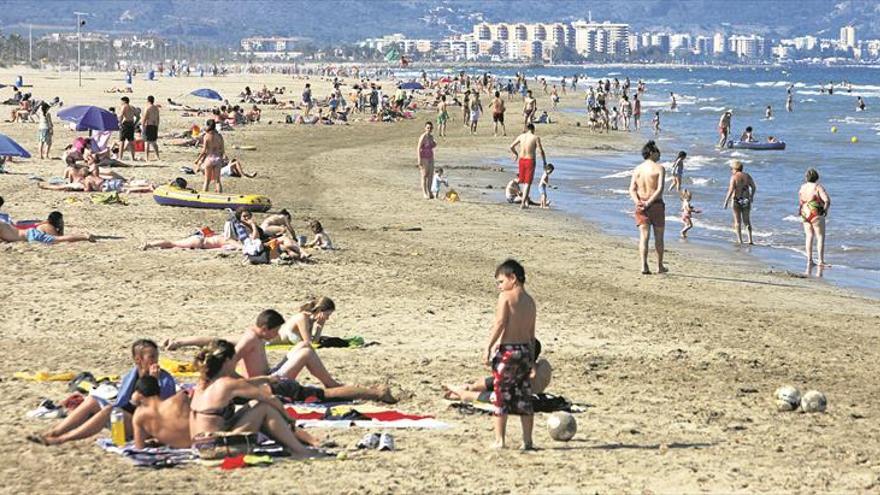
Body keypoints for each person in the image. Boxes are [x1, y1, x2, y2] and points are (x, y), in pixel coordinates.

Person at [164, 310, 396, 403]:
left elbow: (214, 341)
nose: (276, 335)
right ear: (266, 328)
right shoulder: (250, 340)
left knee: (305, 350)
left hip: (268, 378)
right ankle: (337, 386)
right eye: (275, 331)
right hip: (268, 382)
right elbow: (229, 369)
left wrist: (181, 341)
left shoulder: (254, 335)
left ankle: (333, 385)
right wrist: (253, 384)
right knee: (309, 360)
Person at [188, 339, 324, 459]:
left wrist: (266, 379)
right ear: (227, 361)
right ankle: (300, 450)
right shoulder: (227, 384)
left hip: (200, 446)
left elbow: (243, 383)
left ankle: (295, 443)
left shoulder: (202, 383)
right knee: (264, 408)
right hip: (216, 448)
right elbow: (270, 398)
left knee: (253, 405)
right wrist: (289, 419)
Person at [28, 339, 176, 446]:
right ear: (138, 359)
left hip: (147, 426)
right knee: (92, 400)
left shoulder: (165, 379)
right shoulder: (130, 376)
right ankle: (55, 432)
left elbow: (163, 413)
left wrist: (153, 383)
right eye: (151, 357)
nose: (156, 361)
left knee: (109, 410)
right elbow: (124, 403)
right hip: (129, 418)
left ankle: (62, 439)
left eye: (156, 356)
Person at [485, 259, 536, 450]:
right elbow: (532, 335)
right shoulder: (530, 301)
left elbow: (500, 323)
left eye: (500, 281)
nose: (499, 287)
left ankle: (500, 440)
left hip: (508, 351)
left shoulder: (506, 297)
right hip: (524, 351)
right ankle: (527, 440)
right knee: (524, 396)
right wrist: (531, 361)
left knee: (500, 395)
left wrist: (488, 346)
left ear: (512, 278)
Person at [629, 140, 667, 275]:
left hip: (641, 203)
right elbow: (660, 189)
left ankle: (644, 265)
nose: (659, 155)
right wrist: (649, 202)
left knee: (644, 236)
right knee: (659, 237)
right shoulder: (659, 168)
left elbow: (632, 189)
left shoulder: (638, 169)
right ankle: (659, 266)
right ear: (651, 152)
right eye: (657, 152)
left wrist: (638, 202)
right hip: (655, 204)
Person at [131, 376, 192, 449]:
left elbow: (139, 446)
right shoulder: (180, 399)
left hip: (178, 447)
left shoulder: (139, 415)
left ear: (138, 394)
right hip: (196, 443)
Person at [798, 168, 831, 272]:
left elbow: (801, 201)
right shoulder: (817, 187)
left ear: (806, 177)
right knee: (820, 236)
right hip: (816, 212)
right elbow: (827, 200)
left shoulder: (802, 187)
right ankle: (821, 260)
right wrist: (825, 210)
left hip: (804, 213)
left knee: (809, 236)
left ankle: (809, 260)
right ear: (817, 177)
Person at [509, 123, 547, 209]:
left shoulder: (521, 136)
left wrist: (516, 154)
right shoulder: (535, 137)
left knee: (523, 182)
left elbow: (511, 146)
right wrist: (544, 162)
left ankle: (525, 202)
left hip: (521, 160)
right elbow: (541, 151)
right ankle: (523, 203)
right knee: (527, 183)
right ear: (533, 129)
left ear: (527, 129)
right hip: (530, 160)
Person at [0, 211, 95, 245]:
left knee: (58, 239)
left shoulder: (2, 225)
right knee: (58, 239)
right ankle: (83, 236)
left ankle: (84, 236)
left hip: (31, 236)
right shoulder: (3, 224)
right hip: (28, 234)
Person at [722, 160, 757, 245]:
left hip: (736, 200)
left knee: (737, 221)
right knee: (747, 221)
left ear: (735, 169)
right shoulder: (747, 176)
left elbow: (731, 190)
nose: (731, 171)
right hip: (746, 200)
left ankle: (740, 240)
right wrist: (751, 196)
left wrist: (726, 201)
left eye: (731, 169)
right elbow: (754, 187)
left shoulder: (734, 177)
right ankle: (750, 240)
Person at [194, 119, 225, 193]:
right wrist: (221, 158)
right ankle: (220, 197)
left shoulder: (206, 136)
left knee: (207, 181)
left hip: (209, 159)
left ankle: (204, 196)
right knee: (217, 181)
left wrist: (198, 160)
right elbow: (222, 150)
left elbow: (204, 150)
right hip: (217, 158)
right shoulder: (219, 136)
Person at [417, 121, 437, 199]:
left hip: (430, 157)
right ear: (425, 128)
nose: (429, 129)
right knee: (424, 175)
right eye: (428, 128)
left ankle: (430, 192)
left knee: (430, 175)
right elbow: (418, 148)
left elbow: (432, 146)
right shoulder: (423, 137)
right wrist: (419, 159)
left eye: (430, 128)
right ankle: (424, 193)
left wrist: (434, 144)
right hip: (424, 157)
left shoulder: (431, 137)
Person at [117, 96, 137, 161]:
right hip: (131, 124)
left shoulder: (124, 106)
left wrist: (119, 123)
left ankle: (120, 157)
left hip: (125, 124)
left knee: (122, 141)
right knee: (131, 141)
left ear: (124, 101)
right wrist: (135, 123)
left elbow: (121, 115)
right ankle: (133, 157)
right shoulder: (132, 107)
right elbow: (138, 116)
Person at [142, 96, 160, 161]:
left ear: (148, 100)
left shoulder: (147, 108)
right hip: (154, 125)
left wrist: (142, 126)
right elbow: (158, 118)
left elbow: (144, 118)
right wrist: (157, 125)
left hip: (148, 125)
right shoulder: (156, 108)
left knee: (147, 142)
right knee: (154, 142)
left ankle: (147, 158)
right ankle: (157, 157)